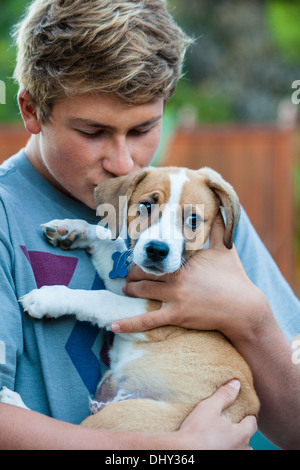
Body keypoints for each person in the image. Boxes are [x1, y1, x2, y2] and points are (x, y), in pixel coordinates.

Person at [0, 0, 298, 450]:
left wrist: (253, 322)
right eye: (93, 132)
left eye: (143, 130)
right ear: (31, 110)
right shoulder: (6, 217)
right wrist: (170, 453)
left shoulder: (207, 221)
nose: (123, 164)